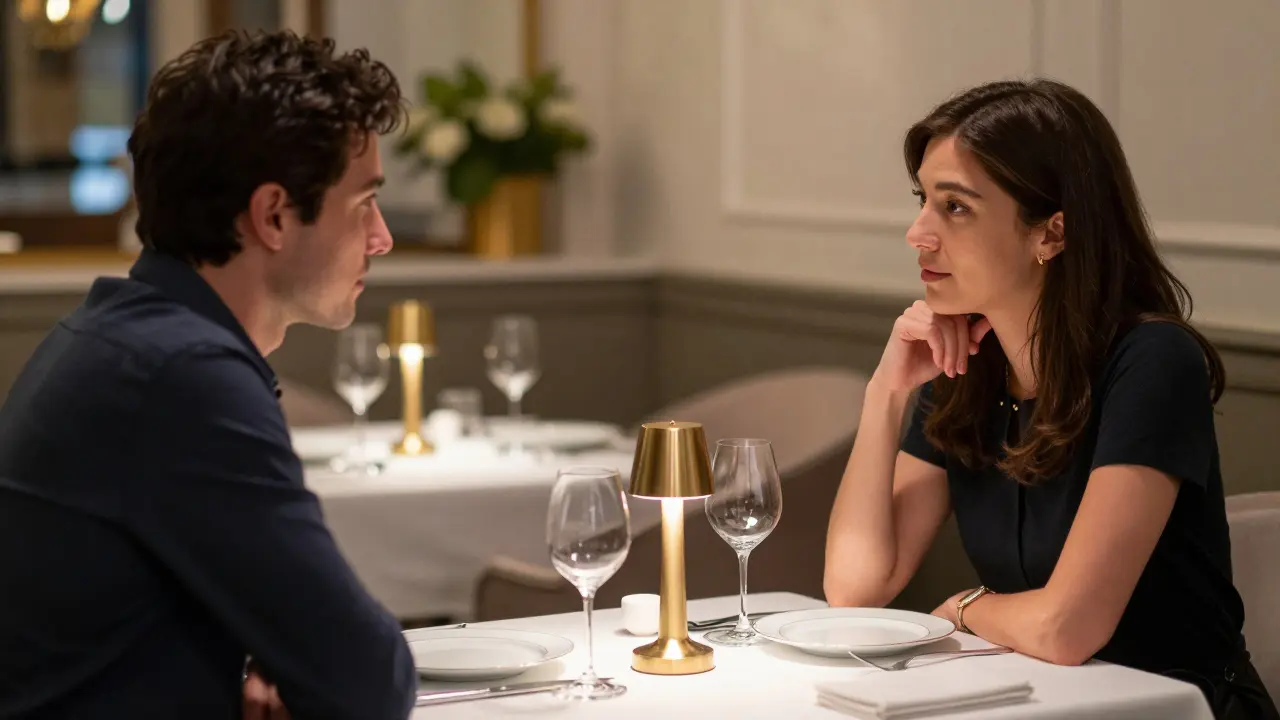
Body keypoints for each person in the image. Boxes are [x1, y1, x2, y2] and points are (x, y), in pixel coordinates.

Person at [823, 78, 1279, 720]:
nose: (917, 233)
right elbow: (855, 586)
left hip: (1166, 706)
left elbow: (1068, 628)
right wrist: (885, 395)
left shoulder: (1151, 362)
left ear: (1051, 233)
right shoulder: (965, 371)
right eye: (924, 200)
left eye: (955, 207)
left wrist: (963, 608)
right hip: (1033, 702)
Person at [0, 30, 416, 719]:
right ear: (274, 215)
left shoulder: (122, 336)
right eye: (363, 203)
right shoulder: (182, 376)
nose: (382, 237)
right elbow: (367, 680)